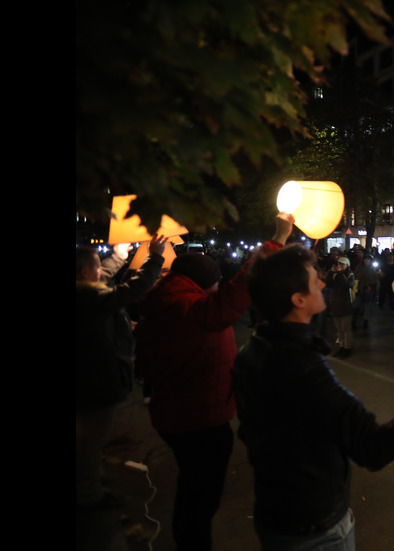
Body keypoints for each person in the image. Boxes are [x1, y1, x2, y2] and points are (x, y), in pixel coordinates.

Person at [232, 244, 394, 551]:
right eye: (315, 281)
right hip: (313, 528)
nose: (324, 283)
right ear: (297, 299)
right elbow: (372, 447)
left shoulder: (252, 351)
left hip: (274, 511)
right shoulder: (303, 367)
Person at [134, 213, 292, 551]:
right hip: (196, 419)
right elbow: (238, 293)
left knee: (195, 490)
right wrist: (276, 239)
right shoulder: (188, 308)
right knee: (198, 498)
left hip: (180, 413)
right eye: (217, 283)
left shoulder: (166, 303)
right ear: (205, 283)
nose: (219, 289)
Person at [76, 236, 166, 508]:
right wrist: (155, 257)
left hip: (91, 380)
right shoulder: (88, 299)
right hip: (96, 383)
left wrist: (118, 255)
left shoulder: (84, 295)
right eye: (97, 267)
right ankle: (90, 500)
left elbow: (103, 280)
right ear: (84, 273)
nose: (102, 270)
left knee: (88, 442)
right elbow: (131, 289)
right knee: (89, 445)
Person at [325, 256, 355, 359]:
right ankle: (341, 347)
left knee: (346, 329)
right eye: (339, 264)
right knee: (339, 329)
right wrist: (331, 272)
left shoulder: (350, 274)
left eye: (343, 264)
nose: (340, 266)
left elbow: (346, 286)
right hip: (335, 305)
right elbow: (327, 284)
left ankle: (347, 348)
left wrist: (340, 273)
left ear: (347, 265)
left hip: (345, 305)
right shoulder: (334, 274)